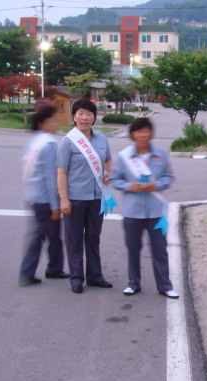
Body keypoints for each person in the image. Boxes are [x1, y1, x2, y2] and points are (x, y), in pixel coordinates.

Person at [111, 117, 179, 299]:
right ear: (133, 135)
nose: (142, 135)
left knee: (160, 250)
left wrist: (156, 185)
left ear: (151, 134)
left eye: (146, 131)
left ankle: (165, 285)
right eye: (139, 131)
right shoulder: (124, 157)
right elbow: (115, 179)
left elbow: (169, 177)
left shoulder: (161, 155)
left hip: (156, 211)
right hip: (132, 212)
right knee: (133, 249)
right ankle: (133, 283)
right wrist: (129, 186)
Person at [57, 98, 116, 294]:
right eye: (80, 114)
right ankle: (76, 278)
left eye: (89, 114)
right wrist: (64, 199)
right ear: (74, 117)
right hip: (75, 198)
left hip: (97, 197)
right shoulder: (67, 142)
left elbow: (108, 161)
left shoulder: (101, 139)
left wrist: (111, 174)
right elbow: (61, 173)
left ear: (94, 117)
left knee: (93, 237)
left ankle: (95, 276)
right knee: (74, 239)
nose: (85, 118)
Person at [18, 105, 69, 286]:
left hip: (33, 196)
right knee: (42, 237)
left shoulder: (34, 142)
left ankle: (53, 268)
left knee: (49, 236)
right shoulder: (48, 145)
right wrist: (55, 206)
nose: (55, 124)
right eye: (52, 120)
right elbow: (51, 178)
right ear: (42, 123)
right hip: (45, 200)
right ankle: (31, 272)